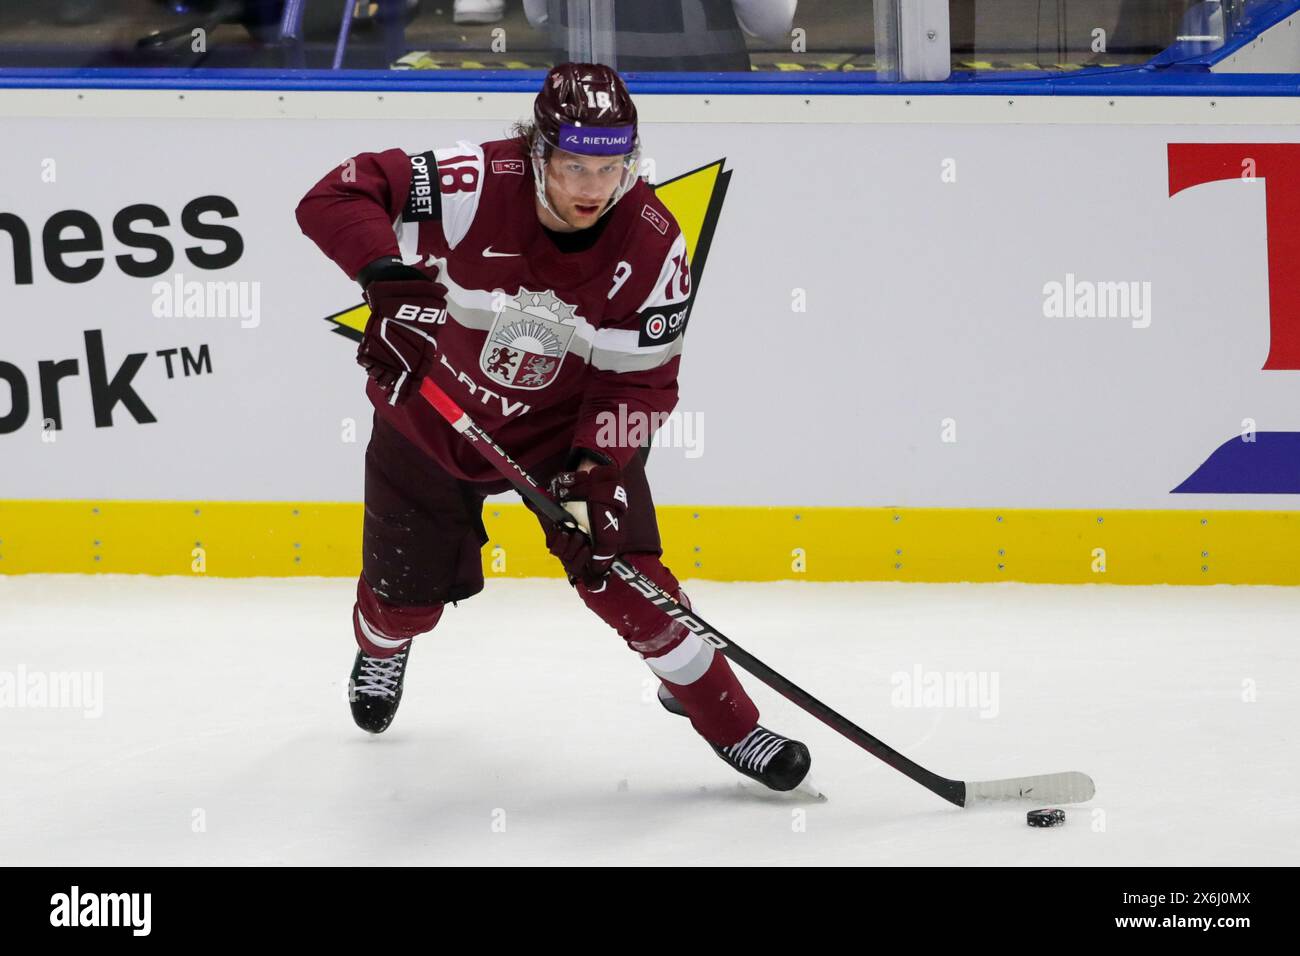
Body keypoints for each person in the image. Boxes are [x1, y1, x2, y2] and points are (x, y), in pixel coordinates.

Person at [295, 63, 810, 792]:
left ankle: (732, 723)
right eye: (574, 165)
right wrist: (385, 277)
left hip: (560, 438)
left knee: (628, 580)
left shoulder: (653, 242)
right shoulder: (471, 181)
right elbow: (338, 192)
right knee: (398, 602)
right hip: (430, 422)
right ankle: (383, 646)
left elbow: (642, 381)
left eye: (611, 166)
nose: (593, 187)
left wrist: (597, 467)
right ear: (538, 151)